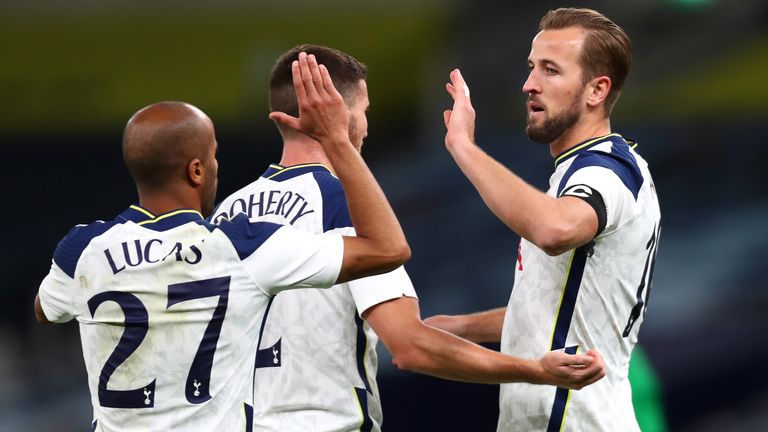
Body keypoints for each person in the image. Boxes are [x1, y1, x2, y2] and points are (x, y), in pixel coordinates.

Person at [213, 45, 606, 432]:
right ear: (340, 113)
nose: (365, 126)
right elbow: (409, 346)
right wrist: (535, 370)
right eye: (364, 111)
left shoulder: (226, 214)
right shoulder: (348, 205)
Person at [33, 62, 413, 432]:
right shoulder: (242, 245)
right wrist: (336, 140)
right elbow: (388, 248)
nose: (217, 165)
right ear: (196, 170)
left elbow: (46, 310)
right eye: (214, 155)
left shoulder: (81, 249)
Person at [425, 8, 661, 431]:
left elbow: (553, 230)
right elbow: (561, 310)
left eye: (550, 70)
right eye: (532, 67)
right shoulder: (574, 174)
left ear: (596, 90)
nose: (529, 84)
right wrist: (459, 326)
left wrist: (462, 145)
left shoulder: (607, 169)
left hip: (577, 420)